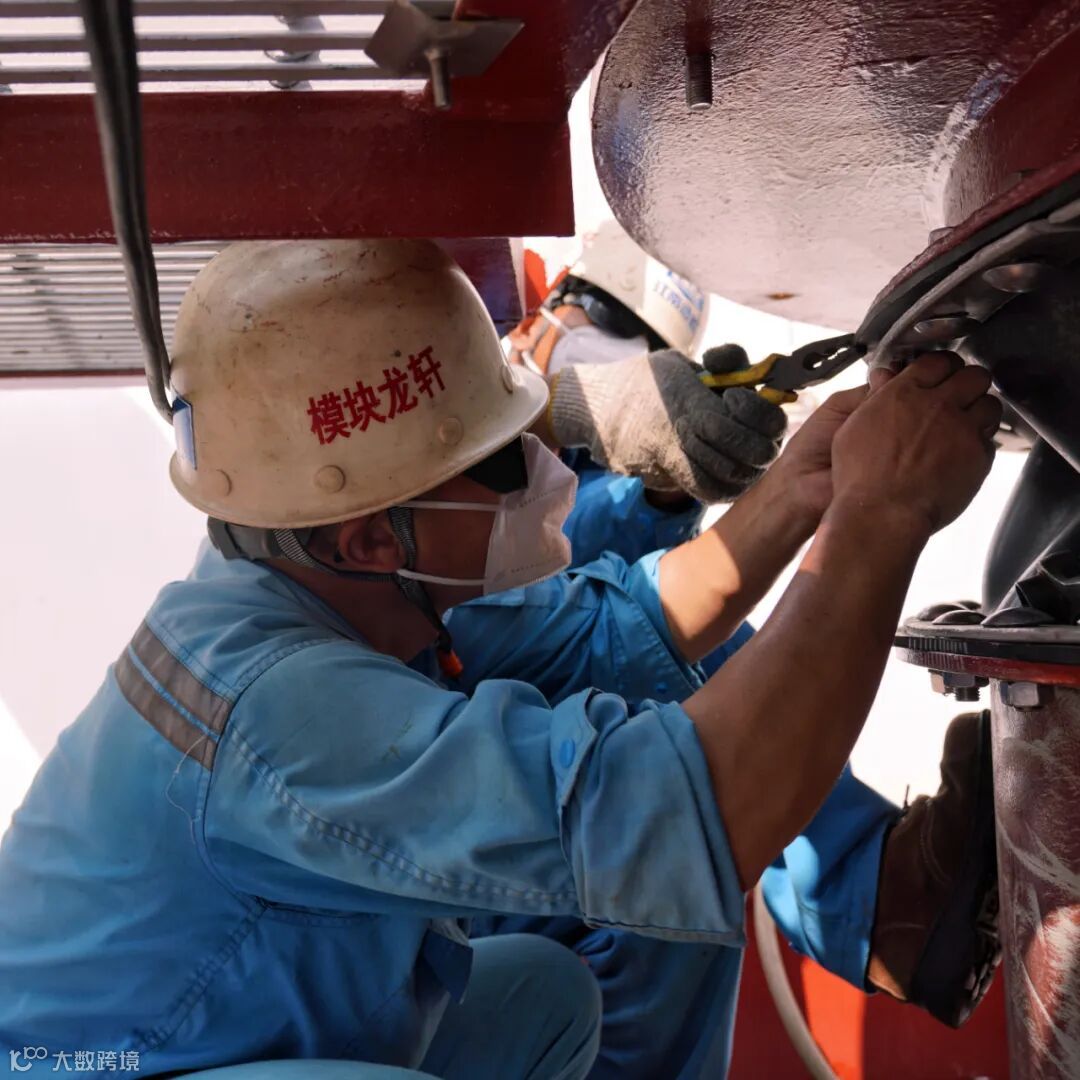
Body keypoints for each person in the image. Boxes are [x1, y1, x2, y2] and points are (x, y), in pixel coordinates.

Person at [0, 239, 1002, 1078]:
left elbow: (621, 627)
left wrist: (805, 488)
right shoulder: (285, 710)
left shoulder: (321, 582)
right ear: (370, 537)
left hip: (214, 1030)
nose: (544, 468)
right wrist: (884, 514)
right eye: (498, 458)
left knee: (542, 995)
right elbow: (688, 816)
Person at [503, 224, 1002, 1038]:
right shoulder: (461, 456)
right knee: (677, 690)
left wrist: (731, 490)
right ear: (542, 313)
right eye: (604, 314)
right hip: (517, 950)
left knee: (688, 658)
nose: (618, 348)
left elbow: (624, 606)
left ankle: (876, 898)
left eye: (645, 341)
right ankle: (873, 898)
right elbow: (550, 566)